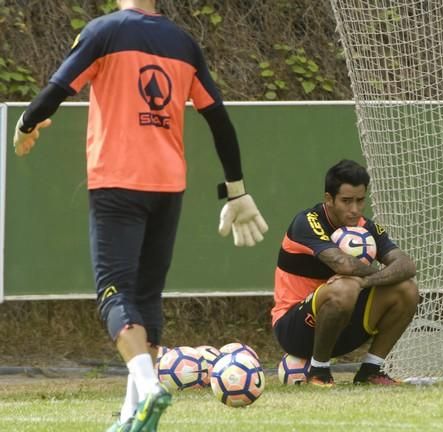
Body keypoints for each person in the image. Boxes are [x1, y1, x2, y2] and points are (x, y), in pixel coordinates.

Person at [13, 1, 267, 431]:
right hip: (168, 187)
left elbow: (56, 89)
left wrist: (26, 123)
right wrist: (237, 189)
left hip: (117, 182)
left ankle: (149, 389)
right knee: (146, 299)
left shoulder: (104, 32)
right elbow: (218, 118)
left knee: (113, 292)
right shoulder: (183, 43)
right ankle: (133, 418)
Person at [272, 159, 419, 386]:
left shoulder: (366, 227)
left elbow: (406, 265)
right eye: (346, 201)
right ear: (329, 199)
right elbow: (344, 266)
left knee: (406, 289)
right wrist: (372, 278)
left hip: (340, 328)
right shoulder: (307, 222)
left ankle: (370, 370)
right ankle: (318, 371)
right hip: (294, 329)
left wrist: (366, 282)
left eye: (360, 201)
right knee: (347, 285)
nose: (354, 210)